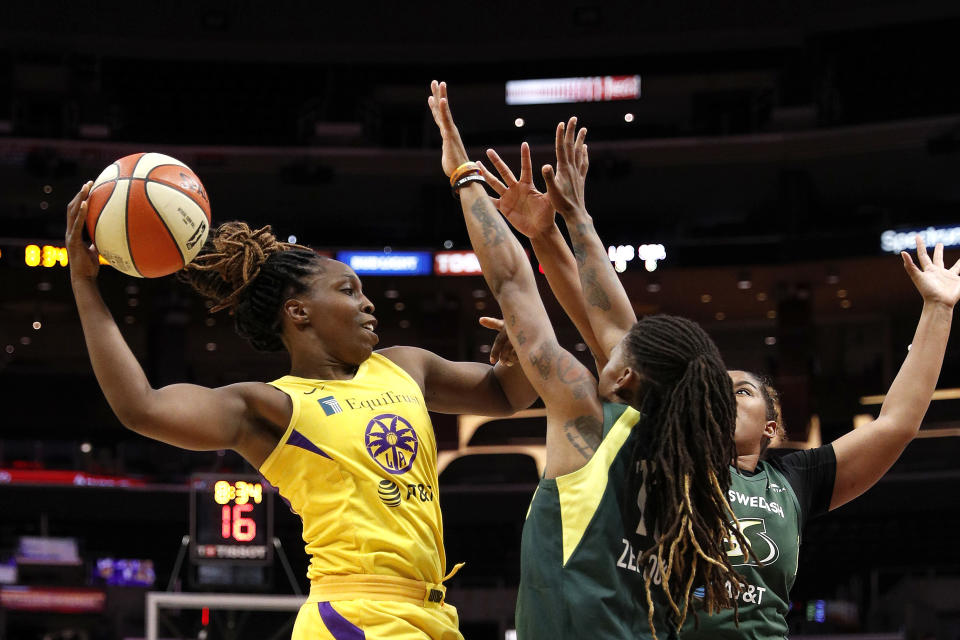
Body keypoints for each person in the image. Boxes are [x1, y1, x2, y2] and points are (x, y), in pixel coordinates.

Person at [478, 117, 960, 638]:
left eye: (744, 391)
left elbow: (896, 424)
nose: (723, 398)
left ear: (772, 429)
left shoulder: (792, 482)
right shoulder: (663, 446)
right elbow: (615, 335)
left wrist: (937, 308)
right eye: (716, 389)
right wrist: (551, 234)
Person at [64, 187, 538, 640]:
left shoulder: (404, 366)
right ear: (298, 311)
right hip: (354, 612)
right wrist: (84, 283)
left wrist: (522, 342)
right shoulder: (269, 406)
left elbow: (508, 395)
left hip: (432, 613)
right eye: (348, 291)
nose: (368, 303)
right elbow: (140, 406)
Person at [429, 80, 751, 640]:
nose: (602, 339)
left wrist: (465, 176)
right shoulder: (692, 463)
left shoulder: (584, 410)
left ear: (627, 374)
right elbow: (615, 325)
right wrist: (560, 227)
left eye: (619, 350)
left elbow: (512, 283)